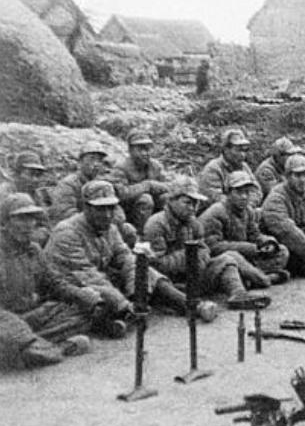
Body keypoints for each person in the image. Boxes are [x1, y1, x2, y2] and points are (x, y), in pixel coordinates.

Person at [47, 181, 215, 328]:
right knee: (95, 299)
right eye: (100, 209)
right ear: (86, 207)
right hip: (67, 285)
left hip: (98, 277)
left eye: (111, 208)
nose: (107, 215)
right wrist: (123, 303)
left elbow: (126, 258)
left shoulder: (109, 228)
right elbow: (86, 275)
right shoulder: (68, 232)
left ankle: (190, 305)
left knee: (144, 270)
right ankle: (118, 320)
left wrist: (138, 290)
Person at [143, 176, 270, 310]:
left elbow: (204, 249)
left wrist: (201, 257)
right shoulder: (156, 224)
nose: (192, 208)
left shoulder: (193, 223)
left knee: (227, 259)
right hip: (173, 284)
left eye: (195, 203)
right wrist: (189, 255)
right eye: (187, 202)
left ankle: (238, 294)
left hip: (194, 277)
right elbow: (156, 264)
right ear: (172, 200)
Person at [0, 193, 92, 370]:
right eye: (21, 218)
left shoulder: (33, 249)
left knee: (83, 310)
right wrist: (16, 326)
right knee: (11, 335)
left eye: (32, 218)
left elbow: (53, 282)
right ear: (5, 222)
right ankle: (56, 348)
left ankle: (30, 345)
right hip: (4, 319)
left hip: (29, 315)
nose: (28, 225)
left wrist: (82, 296)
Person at [200, 171, 290, 287]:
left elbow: (254, 234)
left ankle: (250, 277)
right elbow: (213, 247)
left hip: (244, 256)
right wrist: (250, 248)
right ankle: (261, 278)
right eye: (239, 192)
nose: (244, 197)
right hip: (222, 260)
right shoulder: (216, 212)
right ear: (228, 193)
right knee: (232, 258)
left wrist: (267, 242)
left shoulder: (248, 211)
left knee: (282, 251)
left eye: (247, 192)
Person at [105, 129, 170, 234]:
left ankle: (165, 229)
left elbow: (169, 186)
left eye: (147, 149)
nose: (145, 153)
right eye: (140, 149)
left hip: (153, 209)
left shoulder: (155, 166)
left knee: (167, 198)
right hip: (129, 211)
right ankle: (141, 233)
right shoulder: (121, 168)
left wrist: (155, 186)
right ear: (130, 150)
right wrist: (146, 186)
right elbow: (122, 194)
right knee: (145, 199)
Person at [198, 129, 262, 207]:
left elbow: (256, 191)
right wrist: (240, 206)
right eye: (238, 150)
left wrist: (248, 205)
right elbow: (215, 197)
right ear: (226, 150)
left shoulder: (244, 167)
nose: (242, 154)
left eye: (244, 150)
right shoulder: (213, 168)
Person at [0, 151, 51, 246]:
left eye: (38, 175)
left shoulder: (35, 194)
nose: (35, 179)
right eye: (31, 174)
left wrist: (39, 234)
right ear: (17, 174)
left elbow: (45, 223)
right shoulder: (5, 192)